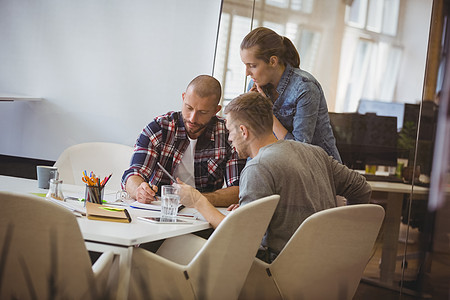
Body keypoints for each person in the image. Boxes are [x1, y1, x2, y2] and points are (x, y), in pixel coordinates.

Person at [176, 92, 371, 262]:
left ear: (243, 131)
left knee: (181, 249)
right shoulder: (315, 152)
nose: (228, 139)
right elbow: (362, 189)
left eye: (229, 131)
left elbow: (241, 236)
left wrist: (198, 201)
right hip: (323, 264)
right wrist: (343, 235)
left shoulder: (258, 167)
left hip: (277, 269)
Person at [122, 75, 246, 207]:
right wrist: (139, 191)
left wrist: (197, 199)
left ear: (216, 110)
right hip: (160, 210)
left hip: (206, 215)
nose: (193, 118)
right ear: (183, 97)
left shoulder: (228, 134)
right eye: (189, 108)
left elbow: (238, 190)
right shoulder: (159, 128)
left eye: (202, 112)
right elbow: (133, 174)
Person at [240, 26, 342, 162]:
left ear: (273, 61)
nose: (247, 73)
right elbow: (254, 140)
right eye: (245, 65)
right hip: (281, 165)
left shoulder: (305, 87)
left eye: (252, 65)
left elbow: (298, 150)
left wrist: (266, 112)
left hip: (319, 171)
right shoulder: (255, 85)